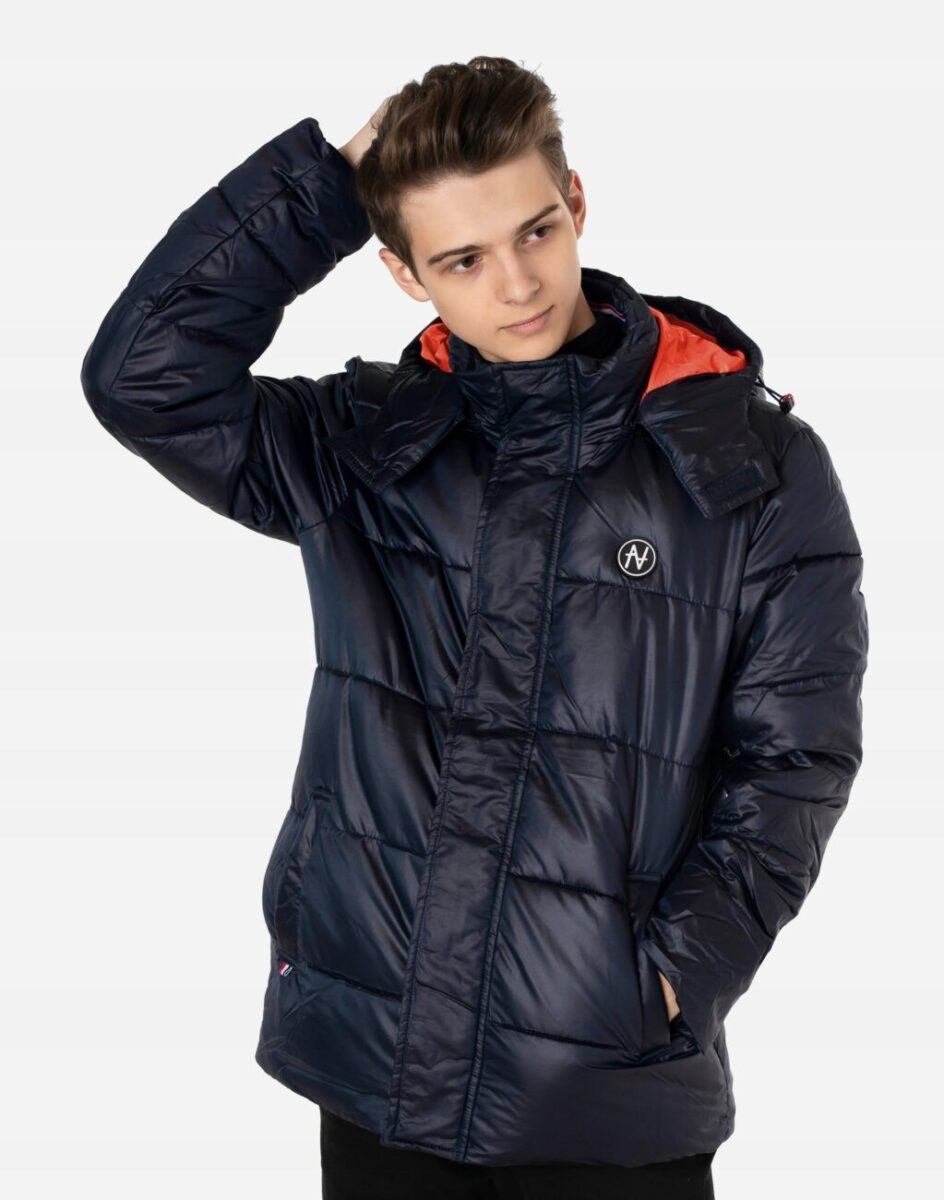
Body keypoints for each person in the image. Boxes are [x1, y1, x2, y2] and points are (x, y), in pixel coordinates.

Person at [80, 56, 868, 1198]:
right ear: (402, 271)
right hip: (379, 1067)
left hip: (610, 1090)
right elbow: (140, 380)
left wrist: (662, 983)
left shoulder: (749, 463)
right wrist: (325, 186)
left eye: (535, 230)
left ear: (575, 202)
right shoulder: (363, 446)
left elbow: (795, 762)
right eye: (460, 258)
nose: (517, 283)